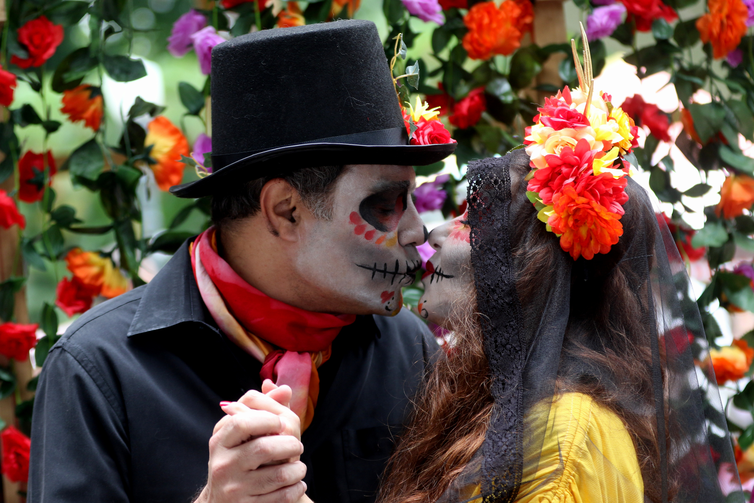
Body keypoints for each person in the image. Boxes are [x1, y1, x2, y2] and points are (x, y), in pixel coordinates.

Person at [28, 20, 456, 503]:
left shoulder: (408, 350)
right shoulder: (99, 370)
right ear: (284, 210)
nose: (418, 230)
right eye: (386, 203)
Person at [372, 48, 745, 501]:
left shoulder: (566, 439)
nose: (433, 230)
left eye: (471, 220)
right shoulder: (525, 409)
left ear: (530, 267)